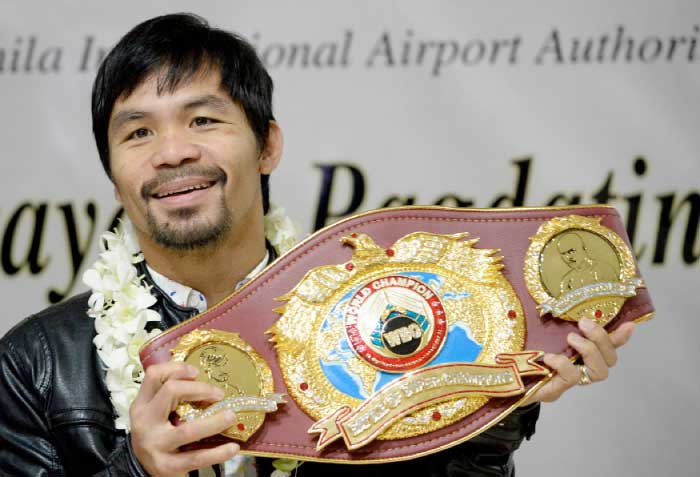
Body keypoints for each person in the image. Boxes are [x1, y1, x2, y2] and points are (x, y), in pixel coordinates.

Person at [0, 13, 635, 477]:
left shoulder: (379, 313)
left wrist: (496, 408)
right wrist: (137, 471)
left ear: (268, 146)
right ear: (114, 176)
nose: (172, 152)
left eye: (203, 120)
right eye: (137, 132)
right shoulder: (33, 364)